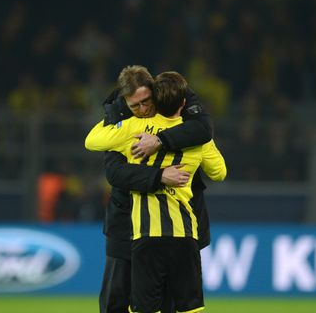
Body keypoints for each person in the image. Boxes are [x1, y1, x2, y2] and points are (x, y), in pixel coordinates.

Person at [86, 71, 227, 313]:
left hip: (151, 232)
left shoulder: (132, 129)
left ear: (156, 95)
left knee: (155, 304)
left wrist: (159, 140)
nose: (142, 109)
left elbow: (92, 141)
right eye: (134, 105)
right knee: (118, 300)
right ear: (125, 104)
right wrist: (160, 176)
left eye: (146, 102)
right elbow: (115, 174)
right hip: (130, 226)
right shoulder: (131, 123)